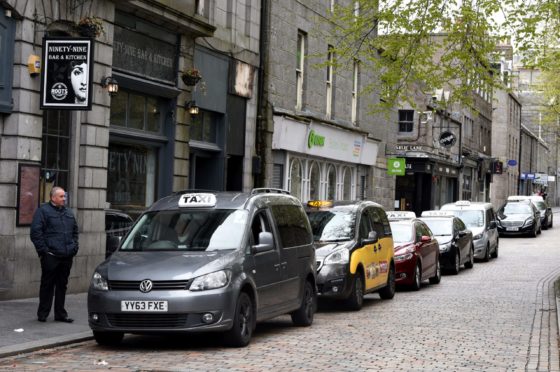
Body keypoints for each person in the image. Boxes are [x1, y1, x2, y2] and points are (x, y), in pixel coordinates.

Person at [30, 186, 79, 323]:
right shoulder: (43, 211)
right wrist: (44, 252)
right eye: (61, 196)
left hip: (66, 255)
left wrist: (74, 247)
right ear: (53, 198)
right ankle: (43, 313)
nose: (64, 199)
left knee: (62, 285)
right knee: (47, 285)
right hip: (51, 255)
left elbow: (75, 231)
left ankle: (60, 314)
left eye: (64, 196)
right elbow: (35, 233)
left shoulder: (68, 212)